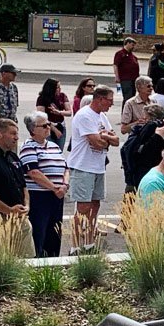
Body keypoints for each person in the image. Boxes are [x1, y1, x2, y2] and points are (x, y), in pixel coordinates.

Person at [65, 84, 118, 227]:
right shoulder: (84, 115)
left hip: (98, 167)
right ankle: (77, 243)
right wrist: (106, 139)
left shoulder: (102, 117)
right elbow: (97, 143)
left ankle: (90, 236)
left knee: (96, 204)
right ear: (100, 99)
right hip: (83, 167)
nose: (112, 103)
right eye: (109, 100)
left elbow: (116, 140)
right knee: (83, 207)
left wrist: (104, 137)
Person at [18, 113, 69, 258]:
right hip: (40, 195)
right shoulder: (28, 147)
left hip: (57, 195)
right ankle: (39, 260)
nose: (49, 128)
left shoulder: (54, 146)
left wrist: (64, 185)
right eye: (44, 125)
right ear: (33, 129)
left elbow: (65, 168)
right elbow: (33, 172)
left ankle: (52, 259)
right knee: (39, 231)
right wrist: (54, 187)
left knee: (54, 232)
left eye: (49, 124)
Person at [35, 77, 70, 143]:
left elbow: (69, 112)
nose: (59, 89)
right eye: (57, 87)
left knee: (59, 149)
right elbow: (41, 116)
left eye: (60, 87)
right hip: (48, 127)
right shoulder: (42, 98)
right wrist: (54, 130)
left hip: (60, 125)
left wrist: (59, 112)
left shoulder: (62, 96)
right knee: (48, 148)